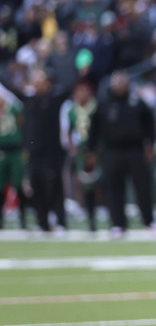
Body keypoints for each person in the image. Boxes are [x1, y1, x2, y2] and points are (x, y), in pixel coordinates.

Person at [0, 68, 71, 231]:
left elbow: (68, 87)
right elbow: (10, 87)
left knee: (54, 186)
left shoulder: (55, 99)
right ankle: (42, 222)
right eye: (36, 82)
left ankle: (60, 221)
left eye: (41, 82)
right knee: (36, 187)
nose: (38, 85)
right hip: (33, 153)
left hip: (52, 152)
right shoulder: (28, 100)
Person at [88, 70, 156, 234]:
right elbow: (94, 128)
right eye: (118, 83)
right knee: (114, 188)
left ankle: (149, 220)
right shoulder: (104, 103)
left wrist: (150, 144)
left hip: (135, 149)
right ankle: (118, 223)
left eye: (123, 83)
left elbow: (150, 124)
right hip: (112, 150)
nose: (120, 86)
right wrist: (92, 150)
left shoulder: (137, 102)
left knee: (143, 187)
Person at [65, 79, 101, 232]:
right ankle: (90, 218)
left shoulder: (97, 108)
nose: (81, 94)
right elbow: (69, 130)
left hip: (99, 149)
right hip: (82, 149)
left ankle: (110, 217)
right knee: (84, 185)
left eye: (84, 90)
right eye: (79, 91)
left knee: (102, 183)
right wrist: (72, 148)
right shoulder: (72, 110)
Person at [0, 89, 27, 229]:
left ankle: (23, 220)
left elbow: (22, 119)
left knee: (19, 184)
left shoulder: (13, 108)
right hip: (1, 152)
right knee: (0, 186)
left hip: (15, 151)